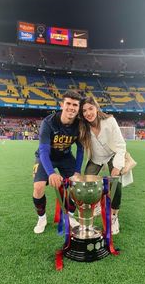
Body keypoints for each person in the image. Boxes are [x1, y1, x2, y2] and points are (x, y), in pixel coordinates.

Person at [32, 91, 83, 234]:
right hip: (47, 157)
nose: (71, 108)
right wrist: (51, 173)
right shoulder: (48, 123)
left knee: (76, 185)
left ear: (78, 108)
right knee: (38, 186)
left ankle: (70, 216)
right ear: (62, 104)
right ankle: (42, 218)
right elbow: (43, 150)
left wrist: (77, 171)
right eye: (68, 103)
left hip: (66, 157)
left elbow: (80, 149)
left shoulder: (80, 125)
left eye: (75, 105)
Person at [79, 96, 126, 235]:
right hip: (96, 158)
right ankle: (98, 202)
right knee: (87, 183)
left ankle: (114, 216)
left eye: (90, 108)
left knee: (116, 182)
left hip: (113, 155)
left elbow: (121, 145)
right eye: (84, 110)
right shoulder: (82, 126)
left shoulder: (110, 121)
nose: (88, 113)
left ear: (96, 107)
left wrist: (117, 166)